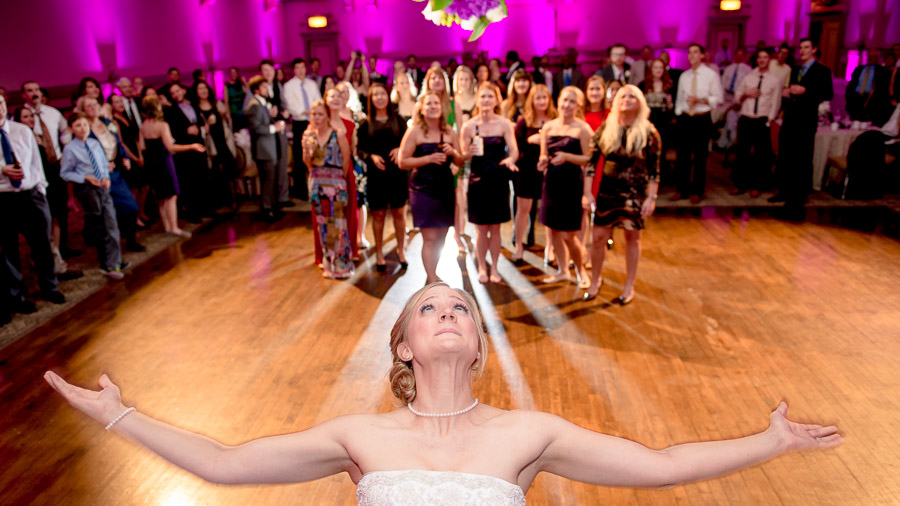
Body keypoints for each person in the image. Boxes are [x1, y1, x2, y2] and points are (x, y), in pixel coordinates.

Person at [44, 282, 843, 504]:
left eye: (462, 306)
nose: (449, 309)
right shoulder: (360, 437)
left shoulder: (530, 431)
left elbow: (663, 464)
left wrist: (769, 442)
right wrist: (119, 415)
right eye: (429, 306)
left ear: (479, 343)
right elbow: (222, 463)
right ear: (403, 344)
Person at [583, 85, 660, 304]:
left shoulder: (649, 132)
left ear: (640, 102)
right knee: (598, 238)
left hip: (633, 194)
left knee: (632, 239)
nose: (626, 99)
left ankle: (629, 285)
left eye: (632, 96)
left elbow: (654, 170)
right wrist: (587, 193)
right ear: (616, 101)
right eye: (622, 95)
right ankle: (596, 280)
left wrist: (651, 198)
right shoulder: (607, 128)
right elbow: (591, 163)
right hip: (607, 192)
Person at [0, 94, 66, 313]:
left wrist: (40, 189)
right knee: (9, 251)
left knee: (42, 245)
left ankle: (49, 287)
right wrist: (2, 170)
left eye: (0, 104)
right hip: (3, 198)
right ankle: (16, 297)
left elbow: (36, 165)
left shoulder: (22, 130)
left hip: (30, 195)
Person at [399, 92, 465, 284]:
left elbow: (460, 161)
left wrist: (453, 152)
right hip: (423, 189)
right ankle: (432, 277)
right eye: (429, 103)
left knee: (442, 237)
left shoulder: (449, 131)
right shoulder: (415, 131)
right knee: (429, 238)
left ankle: (432, 274)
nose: (433, 106)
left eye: (436, 103)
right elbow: (403, 162)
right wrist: (427, 159)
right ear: (422, 108)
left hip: (444, 189)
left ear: (442, 107)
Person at [459, 83, 519, 284]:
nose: (486, 100)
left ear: (496, 100)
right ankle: (482, 267)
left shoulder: (504, 124)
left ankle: (494, 267)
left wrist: (511, 159)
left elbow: (514, 150)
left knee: (495, 229)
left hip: (498, 180)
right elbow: (462, 157)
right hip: (477, 181)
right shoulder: (468, 126)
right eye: (482, 96)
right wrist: (468, 152)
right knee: (480, 230)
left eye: (489, 96)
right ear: (477, 100)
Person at [60, 113, 127, 280]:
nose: (83, 128)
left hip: (102, 187)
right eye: (78, 126)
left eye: (84, 125)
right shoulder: (70, 149)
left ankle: (115, 260)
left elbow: (103, 164)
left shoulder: (94, 143)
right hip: (88, 190)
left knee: (112, 223)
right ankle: (107, 264)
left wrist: (105, 176)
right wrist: (84, 177)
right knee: (100, 227)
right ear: (71, 129)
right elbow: (65, 173)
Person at [538, 86, 592, 287]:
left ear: (578, 106)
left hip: (571, 185)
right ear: (558, 101)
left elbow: (589, 159)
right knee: (552, 231)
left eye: (572, 101)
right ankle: (562, 271)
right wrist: (542, 160)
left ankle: (581, 271)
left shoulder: (583, 129)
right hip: (551, 183)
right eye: (564, 100)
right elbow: (544, 154)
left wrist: (568, 157)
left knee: (569, 235)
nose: (566, 105)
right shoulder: (549, 127)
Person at [770, 38, 833, 206]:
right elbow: (792, 89)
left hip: (806, 120)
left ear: (814, 50)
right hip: (790, 117)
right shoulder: (796, 69)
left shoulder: (822, 70)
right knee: (785, 155)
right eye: (801, 48)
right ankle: (783, 190)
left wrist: (806, 91)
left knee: (803, 157)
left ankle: (800, 195)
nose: (802, 51)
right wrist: (787, 93)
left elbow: (828, 93)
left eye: (806, 47)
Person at [80, 96, 145, 253]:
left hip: (115, 173)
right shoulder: (83, 128)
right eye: (88, 106)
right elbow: (82, 153)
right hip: (98, 176)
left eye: (95, 104)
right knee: (103, 214)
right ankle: (107, 248)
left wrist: (124, 158)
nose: (93, 108)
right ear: (83, 110)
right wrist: (101, 165)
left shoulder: (108, 123)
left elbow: (118, 142)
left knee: (130, 205)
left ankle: (130, 239)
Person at [21, 80, 76, 259]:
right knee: (47, 211)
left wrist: (65, 151)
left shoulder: (52, 113)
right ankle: (52, 252)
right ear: (24, 95)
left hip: (56, 165)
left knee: (62, 209)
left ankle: (64, 246)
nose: (34, 93)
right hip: (38, 169)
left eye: (36, 89)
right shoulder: (21, 117)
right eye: (30, 91)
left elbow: (66, 131)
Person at [357, 83, 409, 272]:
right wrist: (371, 156)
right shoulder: (365, 124)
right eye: (375, 95)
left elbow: (409, 144)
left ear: (388, 97)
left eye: (382, 94)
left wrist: (400, 149)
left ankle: (401, 250)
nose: (379, 97)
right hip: (376, 174)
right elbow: (360, 149)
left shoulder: (400, 121)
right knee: (378, 214)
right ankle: (379, 252)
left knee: (399, 214)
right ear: (370, 99)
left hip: (397, 173)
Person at [301, 100, 354, 279]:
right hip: (316, 182)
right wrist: (307, 151)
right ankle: (328, 262)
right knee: (322, 224)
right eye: (313, 114)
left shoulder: (337, 134)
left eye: (320, 114)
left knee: (338, 224)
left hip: (336, 184)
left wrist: (338, 180)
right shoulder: (308, 135)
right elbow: (307, 164)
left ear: (327, 116)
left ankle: (342, 264)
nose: (316, 118)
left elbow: (346, 160)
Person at [139, 96, 204, 239]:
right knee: (172, 196)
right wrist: (191, 146)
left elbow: (142, 146)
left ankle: (167, 227)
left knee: (161, 197)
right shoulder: (162, 125)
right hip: (164, 162)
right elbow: (170, 146)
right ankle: (174, 228)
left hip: (152, 163)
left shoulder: (144, 125)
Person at [673, 43, 724, 204]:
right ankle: (682, 189)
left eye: (695, 52)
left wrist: (701, 99)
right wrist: (679, 113)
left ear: (702, 55)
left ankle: (697, 191)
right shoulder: (684, 76)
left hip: (702, 118)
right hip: (686, 119)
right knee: (683, 156)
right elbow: (679, 99)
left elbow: (719, 99)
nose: (692, 56)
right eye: (689, 53)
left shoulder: (711, 75)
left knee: (700, 157)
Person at [513, 84, 556, 264]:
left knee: (549, 210)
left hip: (549, 170)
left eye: (544, 98)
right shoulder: (524, 121)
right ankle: (519, 246)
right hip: (527, 170)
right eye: (537, 98)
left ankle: (550, 248)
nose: (541, 101)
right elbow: (514, 146)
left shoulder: (555, 120)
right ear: (532, 100)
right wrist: (530, 140)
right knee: (523, 209)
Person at [730, 49, 782, 198]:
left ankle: (757, 186)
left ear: (769, 60)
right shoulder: (748, 77)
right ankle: (739, 185)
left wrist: (769, 120)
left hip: (762, 120)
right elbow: (737, 97)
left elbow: (775, 102)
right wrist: (746, 94)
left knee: (761, 156)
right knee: (742, 153)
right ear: (756, 59)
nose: (762, 60)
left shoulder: (774, 80)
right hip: (746, 118)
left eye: (765, 57)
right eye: (760, 57)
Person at [246, 76, 289, 222]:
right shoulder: (254, 105)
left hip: (270, 148)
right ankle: (267, 209)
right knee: (267, 181)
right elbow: (255, 128)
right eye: (264, 87)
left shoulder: (263, 104)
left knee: (271, 180)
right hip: (264, 150)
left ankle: (272, 207)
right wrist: (273, 128)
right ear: (256, 90)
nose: (267, 89)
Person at [165, 82, 209, 222]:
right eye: (173, 93)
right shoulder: (171, 111)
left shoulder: (193, 105)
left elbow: (200, 123)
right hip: (185, 150)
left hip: (199, 145)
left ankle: (205, 208)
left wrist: (200, 129)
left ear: (183, 91)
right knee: (189, 182)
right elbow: (171, 134)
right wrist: (186, 132)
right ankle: (192, 212)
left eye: (178, 91)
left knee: (202, 177)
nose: (176, 95)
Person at [193, 81, 238, 210]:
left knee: (229, 169)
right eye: (200, 88)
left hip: (222, 141)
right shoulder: (196, 108)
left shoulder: (216, 104)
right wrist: (207, 123)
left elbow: (228, 120)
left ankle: (233, 199)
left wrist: (224, 114)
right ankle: (220, 201)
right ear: (196, 92)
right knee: (215, 172)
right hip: (210, 143)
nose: (203, 91)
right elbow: (198, 128)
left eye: (205, 88)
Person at [284, 57, 323, 201]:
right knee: (300, 157)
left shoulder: (311, 84)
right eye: (297, 68)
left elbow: (318, 101)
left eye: (303, 67)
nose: (301, 70)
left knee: (317, 155)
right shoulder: (289, 86)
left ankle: (319, 188)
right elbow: (292, 107)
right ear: (294, 70)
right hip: (300, 123)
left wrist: (314, 112)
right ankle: (301, 191)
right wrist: (307, 111)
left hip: (315, 122)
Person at [639, 59, 675, 164]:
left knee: (662, 152)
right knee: (647, 151)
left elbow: (673, 111)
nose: (658, 70)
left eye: (661, 67)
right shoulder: (643, 85)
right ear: (651, 70)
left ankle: (662, 178)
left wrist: (670, 104)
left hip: (664, 124)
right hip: (648, 122)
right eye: (656, 67)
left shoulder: (669, 86)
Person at [717, 49, 753, 150]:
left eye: (741, 55)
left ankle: (727, 142)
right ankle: (725, 142)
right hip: (728, 96)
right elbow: (723, 83)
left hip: (740, 98)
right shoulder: (729, 68)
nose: (738, 57)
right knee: (726, 115)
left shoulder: (748, 70)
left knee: (731, 117)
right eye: (737, 55)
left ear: (744, 56)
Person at [846, 48, 888, 124]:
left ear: (877, 58)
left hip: (870, 99)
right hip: (856, 97)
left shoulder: (881, 70)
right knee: (853, 120)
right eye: (869, 56)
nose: (870, 58)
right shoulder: (859, 69)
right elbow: (852, 83)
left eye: (873, 56)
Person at [224, 67, 249, 131]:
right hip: (234, 112)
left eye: (234, 72)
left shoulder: (241, 84)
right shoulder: (227, 85)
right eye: (231, 73)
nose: (233, 74)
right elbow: (226, 101)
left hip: (244, 111)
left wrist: (244, 82)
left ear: (237, 73)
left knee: (246, 131)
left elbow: (248, 92)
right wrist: (228, 114)